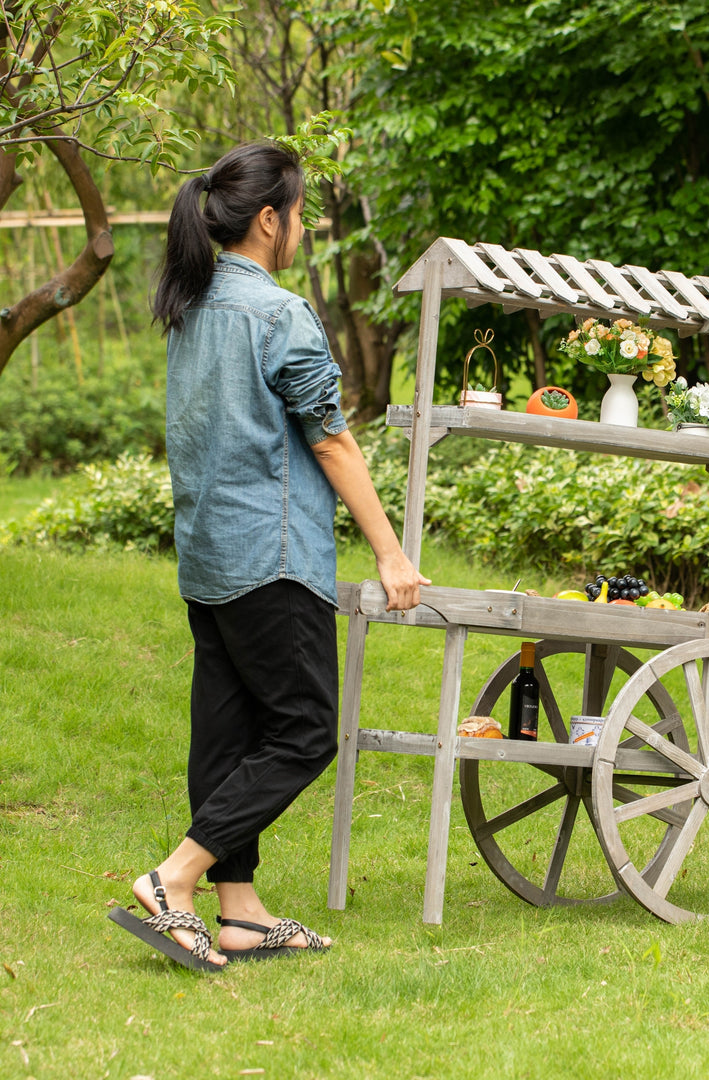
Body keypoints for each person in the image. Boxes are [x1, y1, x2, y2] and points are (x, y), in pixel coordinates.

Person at [108, 142, 428, 970]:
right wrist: (391, 554)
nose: (303, 229)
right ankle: (175, 876)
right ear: (267, 219)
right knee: (306, 727)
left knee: (227, 729)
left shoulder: (191, 304)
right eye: (299, 214)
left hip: (207, 558)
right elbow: (333, 442)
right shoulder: (278, 312)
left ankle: (240, 911)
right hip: (272, 557)